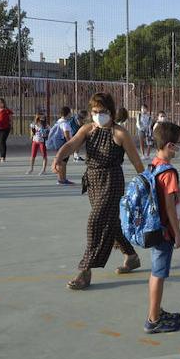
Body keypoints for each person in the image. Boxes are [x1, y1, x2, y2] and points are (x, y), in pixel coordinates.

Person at [56, 92, 145, 289]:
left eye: (102, 111)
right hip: (93, 181)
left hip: (112, 181)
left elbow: (136, 161)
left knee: (95, 222)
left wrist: (147, 185)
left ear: (111, 112)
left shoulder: (120, 133)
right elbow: (71, 144)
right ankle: (131, 257)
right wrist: (58, 157)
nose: (98, 115)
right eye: (94, 111)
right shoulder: (88, 129)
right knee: (111, 223)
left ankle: (85, 271)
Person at [142, 121, 180, 333]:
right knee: (159, 274)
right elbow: (170, 207)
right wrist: (177, 234)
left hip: (154, 228)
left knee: (156, 272)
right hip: (165, 232)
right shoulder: (168, 173)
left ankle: (156, 310)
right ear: (170, 145)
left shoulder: (154, 164)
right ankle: (153, 319)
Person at [51, 107, 76, 185]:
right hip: (64, 144)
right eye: (70, 113)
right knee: (63, 163)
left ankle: (61, 179)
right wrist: (71, 145)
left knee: (60, 162)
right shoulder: (65, 123)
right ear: (68, 113)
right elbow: (67, 136)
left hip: (58, 144)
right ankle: (62, 179)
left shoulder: (58, 121)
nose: (71, 114)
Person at [0, 97, 13, 163]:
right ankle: (1, 155)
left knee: (2, 141)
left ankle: (3, 157)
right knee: (0, 141)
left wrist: (11, 126)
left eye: (1, 103)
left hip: (5, 128)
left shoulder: (7, 110)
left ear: (3, 103)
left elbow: (11, 119)